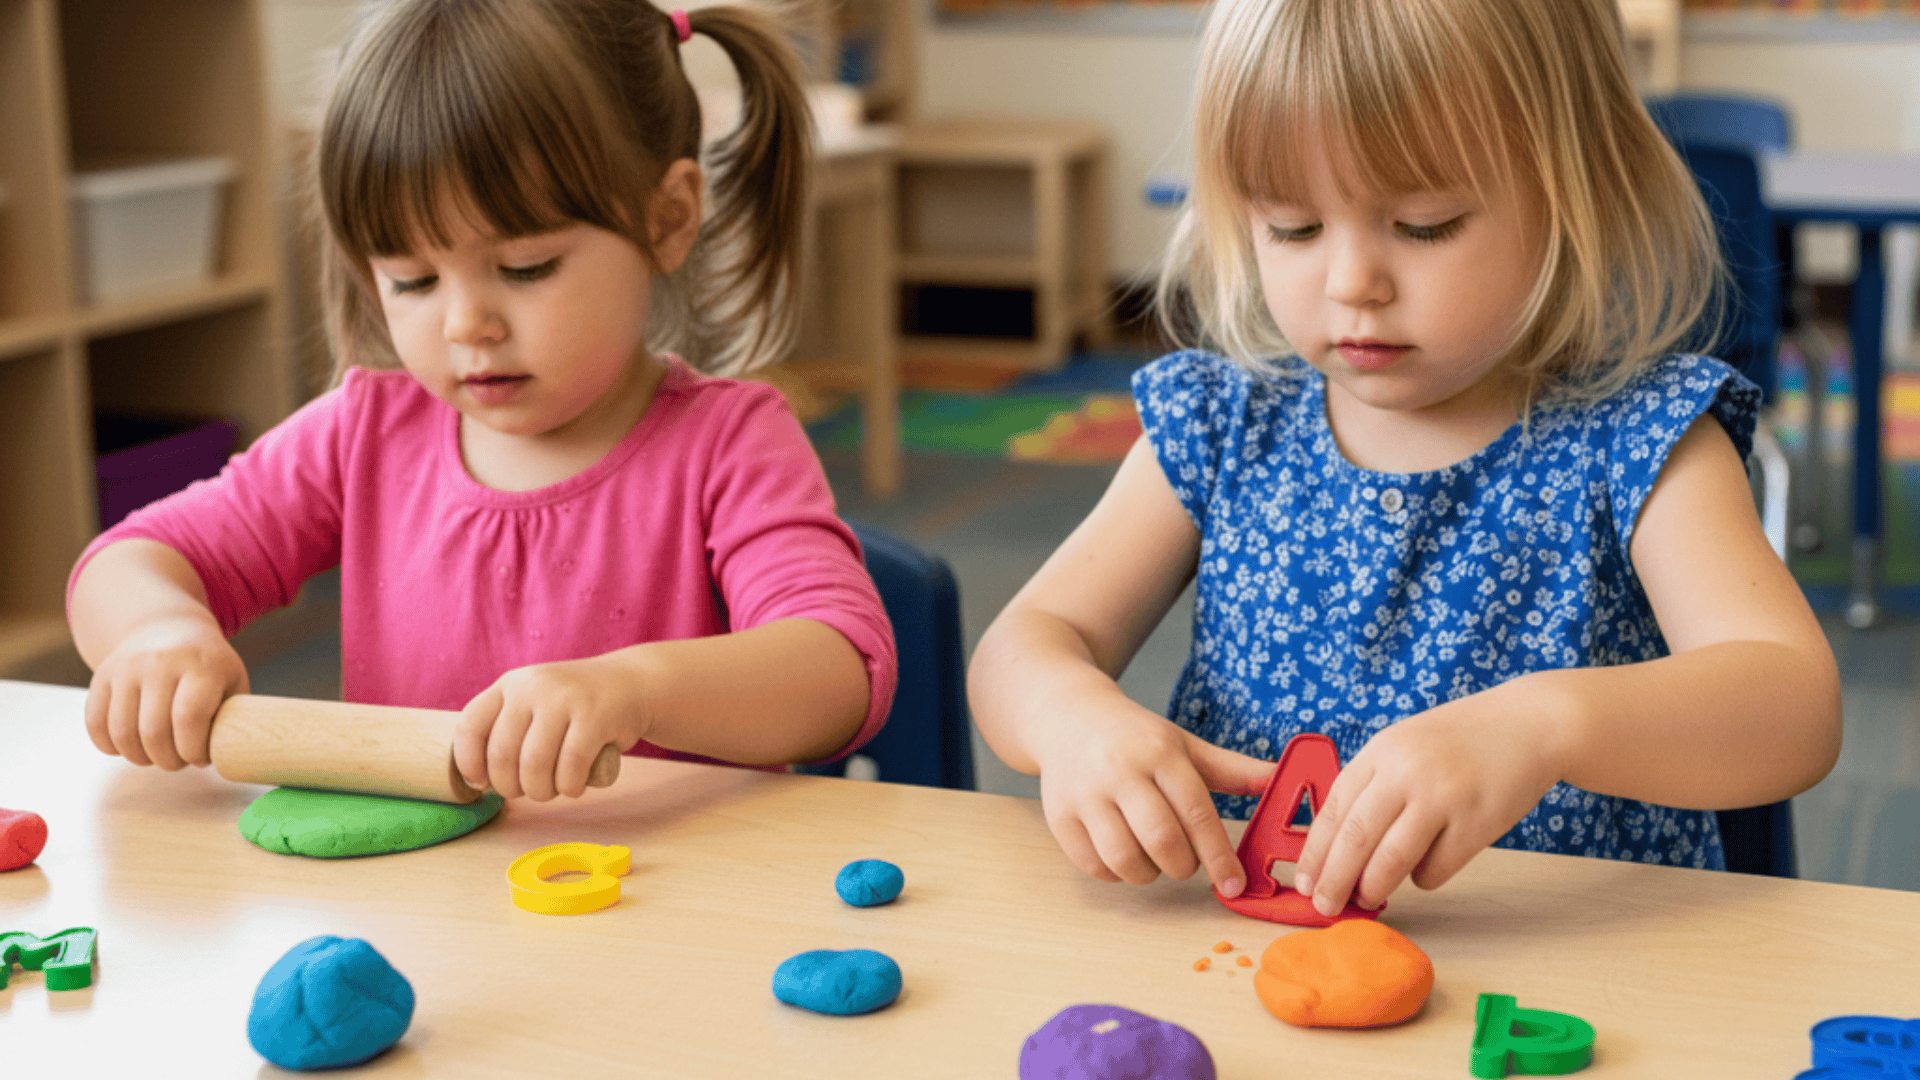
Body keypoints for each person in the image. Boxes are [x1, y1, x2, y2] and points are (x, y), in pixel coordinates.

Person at [968, 0, 1840, 918]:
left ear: (1582, 192)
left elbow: (1795, 704)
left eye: (1425, 225)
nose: (1352, 285)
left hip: (1571, 986)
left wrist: (1544, 726)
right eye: (1293, 228)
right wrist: (1070, 715)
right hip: (1254, 965)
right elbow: (1020, 648)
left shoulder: (1642, 440)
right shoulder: (1222, 427)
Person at [65, 0, 895, 802]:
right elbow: (129, 560)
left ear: (668, 218)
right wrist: (155, 634)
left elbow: (840, 671)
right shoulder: (363, 437)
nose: (468, 324)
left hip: (665, 911)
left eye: (527, 266)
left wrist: (637, 688)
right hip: (427, 914)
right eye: (412, 280)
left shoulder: (729, 443)